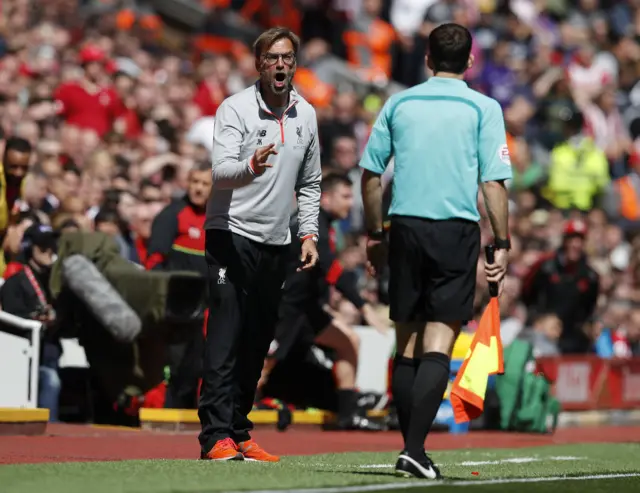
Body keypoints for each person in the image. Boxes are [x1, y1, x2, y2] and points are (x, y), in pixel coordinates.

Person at [359, 23, 512, 479]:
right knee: (439, 341)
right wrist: (501, 242)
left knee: (406, 341)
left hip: (404, 226)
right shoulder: (484, 107)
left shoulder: (399, 102)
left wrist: (375, 235)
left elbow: (370, 175)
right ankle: (413, 449)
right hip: (454, 230)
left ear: (427, 59)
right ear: (469, 62)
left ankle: (413, 450)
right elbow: (492, 182)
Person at [198, 27, 322, 463]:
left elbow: (310, 182)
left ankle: (238, 429)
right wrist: (252, 165)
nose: (281, 65)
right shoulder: (235, 109)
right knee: (226, 334)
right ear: (258, 65)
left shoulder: (306, 114)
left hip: (276, 239)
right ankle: (214, 436)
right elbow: (221, 172)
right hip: (230, 232)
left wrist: (309, 233)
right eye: (272, 58)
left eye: (288, 57)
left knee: (256, 341)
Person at [257, 173, 388, 431]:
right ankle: (237, 414)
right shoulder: (312, 222)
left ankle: (348, 413)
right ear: (325, 198)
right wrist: (364, 308)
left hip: (308, 309)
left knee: (349, 341)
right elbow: (330, 269)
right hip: (286, 309)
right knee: (264, 364)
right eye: (346, 196)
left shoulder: (326, 224)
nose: (351, 203)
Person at [145, 161, 212, 409]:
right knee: (175, 365)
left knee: (198, 366)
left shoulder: (218, 219)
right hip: (176, 308)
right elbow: (154, 261)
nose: (198, 189)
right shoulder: (171, 215)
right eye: (195, 182)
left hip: (205, 308)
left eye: (205, 184)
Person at [0, 224, 60, 421]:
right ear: (28, 247)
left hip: (50, 353)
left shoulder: (57, 281)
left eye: (52, 244)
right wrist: (36, 319)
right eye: (43, 245)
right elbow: (10, 321)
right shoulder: (14, 283)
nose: (49, 250)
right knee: (51, 381)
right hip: (24, 358)